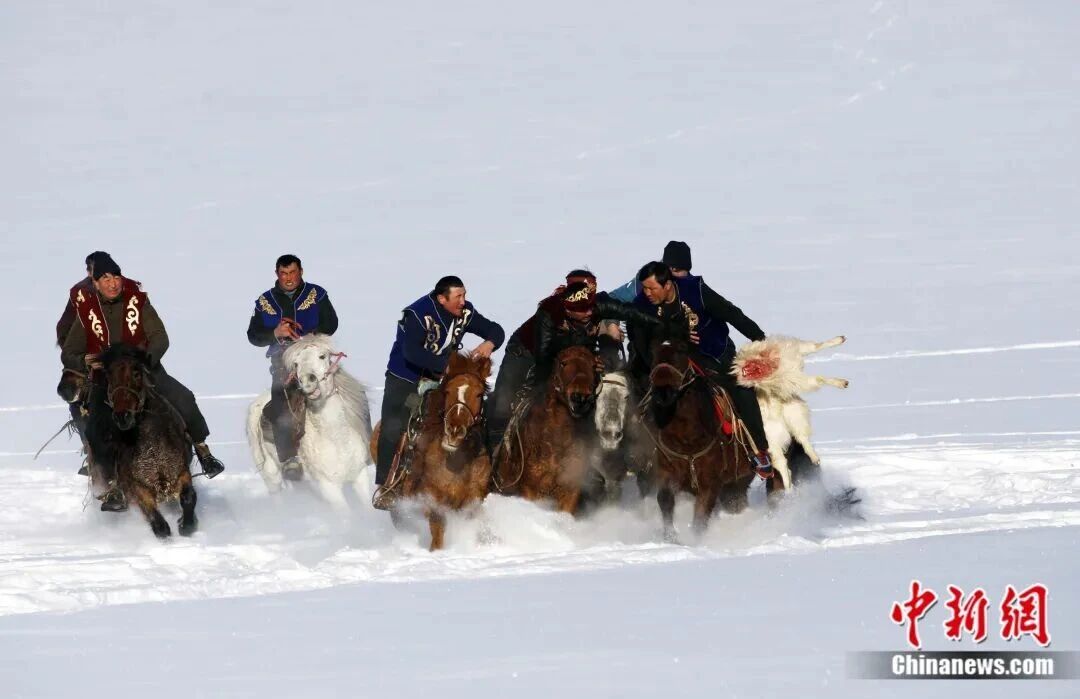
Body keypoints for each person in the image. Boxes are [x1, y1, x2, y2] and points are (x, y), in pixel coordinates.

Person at [60, 254, 225, 510]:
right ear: (96, 283)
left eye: (116, 277)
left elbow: (160, 337)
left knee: (183, 398)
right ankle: (112, 485)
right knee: (96, 427)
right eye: (105, 278)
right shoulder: (86, 311)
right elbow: (69, 352)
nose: (113, 283)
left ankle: (202, 450)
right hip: (107, 380)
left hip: (145, 371)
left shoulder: (137, 301)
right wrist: (85, 360)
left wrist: (145, 360)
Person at [486, 269, 659, 454]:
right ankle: (495, 454)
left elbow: (630, 312)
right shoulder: (550, 313)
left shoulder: (596, 304)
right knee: (503, 403)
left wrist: (664, 323)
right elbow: (544, 357)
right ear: (569, 309)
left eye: (591, 303)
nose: (589, 311)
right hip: (526, 352)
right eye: (583, 309)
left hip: (569, 354)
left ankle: (591, 453)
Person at [628, 260, 774, 478]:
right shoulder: (641, 304)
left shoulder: (695, 290)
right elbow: (640, 342)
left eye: (651, 288)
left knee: (741, 389)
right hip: (670, 359)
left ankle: (759, 450)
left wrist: (760, 339)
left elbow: (731, 313)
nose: (646, 293)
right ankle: (638, 453)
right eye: (644, 288)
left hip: (713, 352)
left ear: (667, 284)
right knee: (638, 394)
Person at [373, 275, 505, 509]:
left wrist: (490, 343)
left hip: (442, 379)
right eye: (458, 296)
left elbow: (495, 329)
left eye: (464, 295)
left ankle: (487, 476)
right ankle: (387, 485)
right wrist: (444, 366)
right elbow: (412, 352)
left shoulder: (465, 312)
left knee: (473, 413)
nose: (463, 301)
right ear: (442, 299)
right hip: (406, 377)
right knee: (393, 426)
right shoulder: (416, 314)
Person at [246, 254, 339, 479]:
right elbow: (253, 335)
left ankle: (358, 441)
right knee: (282, 404)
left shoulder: (317, 294)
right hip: (284, 363)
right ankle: (289, 459)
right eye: (283, 273)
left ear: (301, 272)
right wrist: (275, 333)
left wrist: (310, 336)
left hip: (316, 357)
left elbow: (332, 323)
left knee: (349, 393)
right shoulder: (265, 301)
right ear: (277, 274)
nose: (288, 278)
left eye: (293, 272)